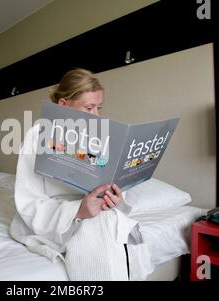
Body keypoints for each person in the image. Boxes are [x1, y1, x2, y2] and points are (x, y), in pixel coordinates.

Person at [9, 68, 151, 281]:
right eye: (89, 107)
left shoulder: (101, 137)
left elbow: (107, 178)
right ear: (63, 105)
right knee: (98, 225)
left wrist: (114, 199)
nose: (96, 115)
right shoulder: (37, 135)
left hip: (94, 206)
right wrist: (78, 210)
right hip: (56, 217)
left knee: (108, 219)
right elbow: (29, 200)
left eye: (99, 108)